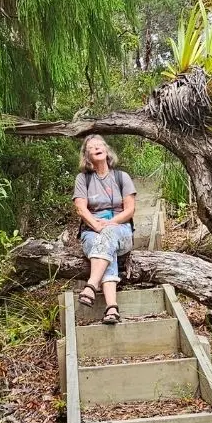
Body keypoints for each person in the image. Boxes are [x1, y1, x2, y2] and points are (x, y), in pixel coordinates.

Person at [72, 135, 136, 324]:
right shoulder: (83, 179)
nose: (97, 147)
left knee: (108, 235)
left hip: (121, 228)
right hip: (91, 231)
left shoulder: (121, 177)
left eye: (100, 145)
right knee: (106, 247)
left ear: (107, 150)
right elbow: (81, 209)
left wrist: (109, 224)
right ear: (87, 156)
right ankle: (111, 308)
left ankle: (91, 285)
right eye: (92, 147)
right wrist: (96, 225)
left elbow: (130, 210)